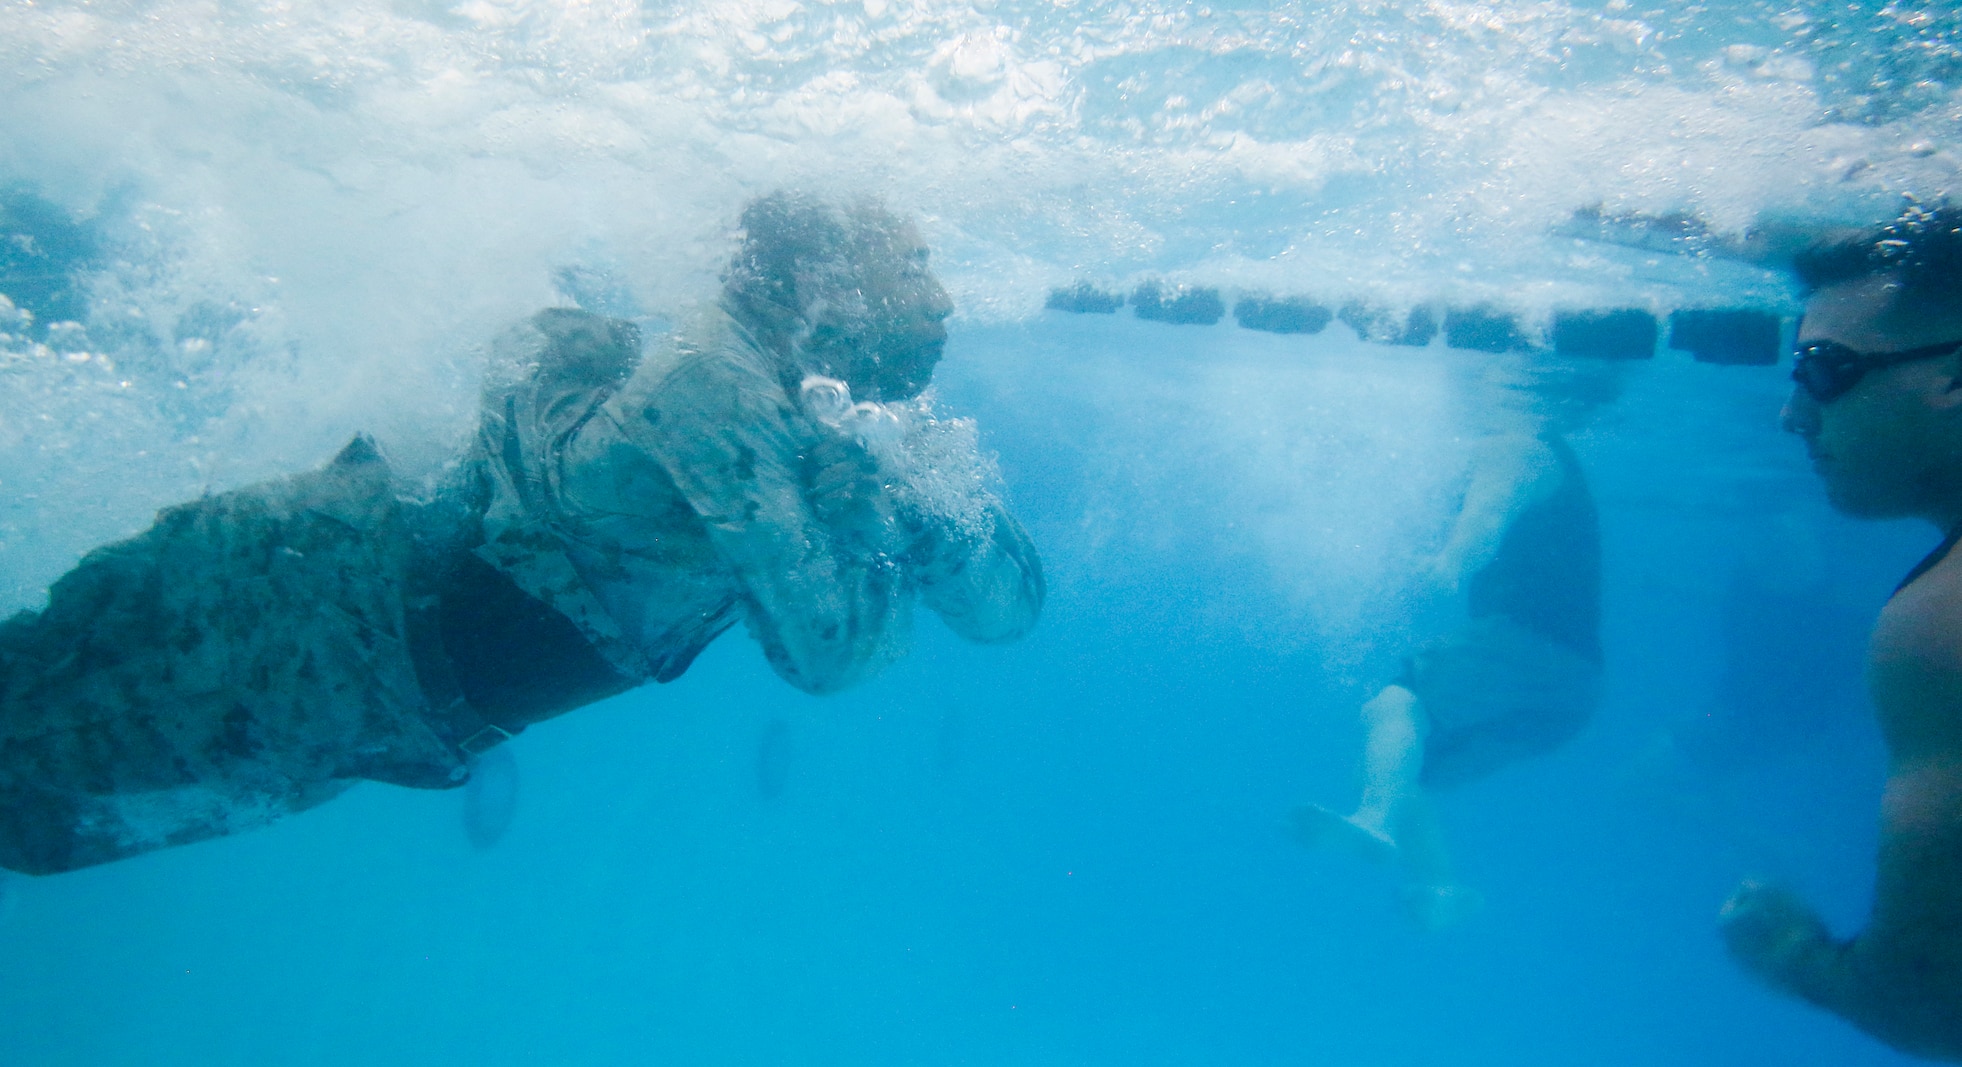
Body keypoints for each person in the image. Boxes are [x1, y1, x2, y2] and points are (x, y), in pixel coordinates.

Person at [0, 192, 1044, 876]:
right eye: (913, 264)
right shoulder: (717, 382)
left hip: (375, 691)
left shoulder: (823, 410)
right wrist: (889, 517)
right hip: (301, 623)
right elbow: (831, 649)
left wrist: (924, 513)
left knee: (35, 816)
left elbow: (1007, 612)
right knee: (25, 754)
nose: (942, 299)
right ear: (827, 283)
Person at [1718, 202, 1962, 1062]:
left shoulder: (1939, 623)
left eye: (1825, 371)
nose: (1793, 414)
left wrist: (1795, 955)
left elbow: (1929, 1004)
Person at [1292, 353, 1607, 929]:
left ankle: (1373, 820)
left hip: (1528, 651)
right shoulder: (1552, 454)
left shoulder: (1517, 444)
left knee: (1391, 707)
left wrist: (1450, 561)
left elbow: (1486, 520)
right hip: (1573, 693)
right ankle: (1441, 887)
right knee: (1395, 762)